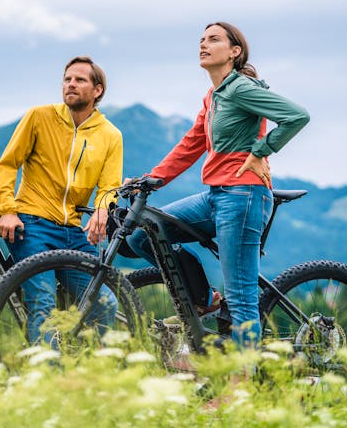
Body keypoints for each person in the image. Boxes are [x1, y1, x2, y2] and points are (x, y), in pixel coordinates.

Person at [128, 22, 309, 350]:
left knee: (241, 299)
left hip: (243, 196)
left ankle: (241, 388)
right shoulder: (214, 95)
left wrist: (260, 153)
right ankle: (205, 298)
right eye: (201, 39)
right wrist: (150, 181)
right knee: (145, 234)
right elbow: (191, 143)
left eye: (213, 39)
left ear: (234, 52)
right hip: (215, 195)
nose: (203, 44)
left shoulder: (241, 88)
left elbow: (297, 116)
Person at [0, 56, 123, 345]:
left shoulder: (111, 135)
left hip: (73, 233)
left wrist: (102, 211)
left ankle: (84, 368)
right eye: (67, 79)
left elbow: (109, 186)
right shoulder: (39, 117)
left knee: (104, 303)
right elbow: (7, 165)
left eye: (79, 80)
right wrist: (7, 210)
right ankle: (46, 381)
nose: (70, 85)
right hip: (31, 225)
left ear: (97, 90)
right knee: (44, 305)